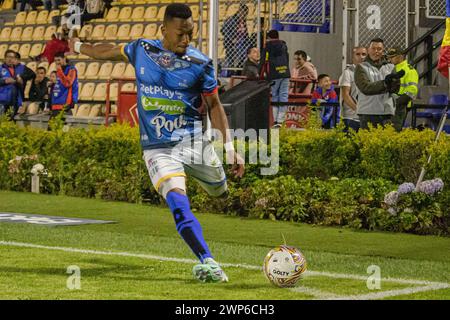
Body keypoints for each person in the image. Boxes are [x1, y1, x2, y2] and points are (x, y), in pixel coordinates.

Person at [69, 3, 245, 283]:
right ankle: (208, 261)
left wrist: (230, 149)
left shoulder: (200, 64)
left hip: (194, 142)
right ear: (164, 30)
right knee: (177, 202)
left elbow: (214, 105)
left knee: (219, 193)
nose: (186, 40)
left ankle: (217, 187)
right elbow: (108, 51)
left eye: (190, 33)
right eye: (180, 34)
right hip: (158, 148)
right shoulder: (142, 50)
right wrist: (78, 46)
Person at [354, 38, 401, 129]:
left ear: (383, 51)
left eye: (379, 49)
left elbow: (395, 89)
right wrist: (385, 84)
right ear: (368, 50)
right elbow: (366, 88)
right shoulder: (361, 67)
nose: (376, 51)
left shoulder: (391, 67)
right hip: (367, 113)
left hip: (387, 114)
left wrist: (395, 83)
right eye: (373, 48)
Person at [260, 29, 291, 127]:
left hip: (274, 74)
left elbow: (263, 60)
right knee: (284, 96)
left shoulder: (268, 47)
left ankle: (275, 121)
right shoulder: (284, 45)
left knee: (275, 96)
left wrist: (259, 72)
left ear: (269, 37)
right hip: (285, 73)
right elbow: (287, 58)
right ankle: (280, 121)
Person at [386, 47, 419, 132]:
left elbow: (412, 90)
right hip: (390, 105)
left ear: (400, 56)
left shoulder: (409, 70)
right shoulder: (392, 68)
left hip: (401, 106)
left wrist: (399, 101)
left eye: (392, 57)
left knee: (394, 131)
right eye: (389, 57)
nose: (390, 60)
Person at [338, 46, 367, 132]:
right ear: (353, 56)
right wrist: (358, 111)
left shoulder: (369, 72)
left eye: (364, 54)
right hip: (350, 117)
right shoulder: (348, 72)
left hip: (365, 117)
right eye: (357, 54)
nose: (361, 57)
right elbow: (346, 95)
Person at [221, 4, 249, 70]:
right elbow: (223, 30)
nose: (244, 15)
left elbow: (245, 32)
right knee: (231, 58)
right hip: (231, 43)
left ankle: (239, 69)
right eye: (244, 13)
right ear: (240, 12)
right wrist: (232, 39)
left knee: (242, 57)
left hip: (242, 43)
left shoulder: (243, 21)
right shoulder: (231, 20)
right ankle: (231, 70)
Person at [51, 52, 78, 117]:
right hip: (56, 103)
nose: (57, 62)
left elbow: (68, 83)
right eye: (55, 60)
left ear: (64, 59)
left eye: (59, 60)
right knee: (52, 126)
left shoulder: (71, 69)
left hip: (65, 103)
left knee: (60, 126)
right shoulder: (59, 70)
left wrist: (59, 71)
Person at [0, 50, 21, 118]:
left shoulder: (17, 70)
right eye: (8, 57)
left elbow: (20, 88)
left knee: (10, 123)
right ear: (5, 58)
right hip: (2, 101)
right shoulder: (0, 68)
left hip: (13, 102)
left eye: (12, 57)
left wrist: (20, 82)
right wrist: (4, 81)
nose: (10, 59)